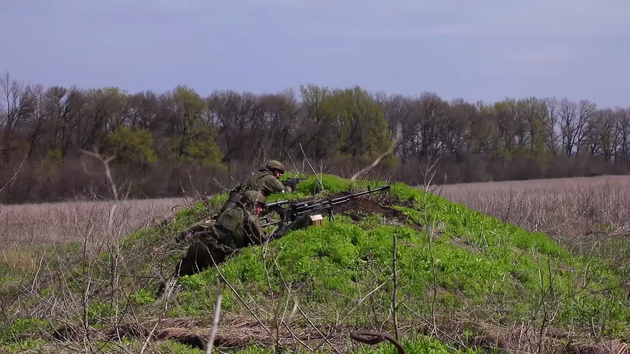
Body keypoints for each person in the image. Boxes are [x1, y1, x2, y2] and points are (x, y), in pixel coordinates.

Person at [175, 190, 268, 277]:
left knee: (181, 275)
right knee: (182, 276)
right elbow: (263, 241)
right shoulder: (242, 215)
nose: (260, 210)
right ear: (250, 203)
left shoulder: (237, 212)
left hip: (208, 249)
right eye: (258, 206)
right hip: (212, 252)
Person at [220, 160, 293, 213]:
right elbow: (285, 193)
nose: (280, 175)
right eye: (279, 172)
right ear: (274, 171)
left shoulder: (255, 176)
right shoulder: (270, 178)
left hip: (238, 207)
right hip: (252, 209)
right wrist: (289, 186)